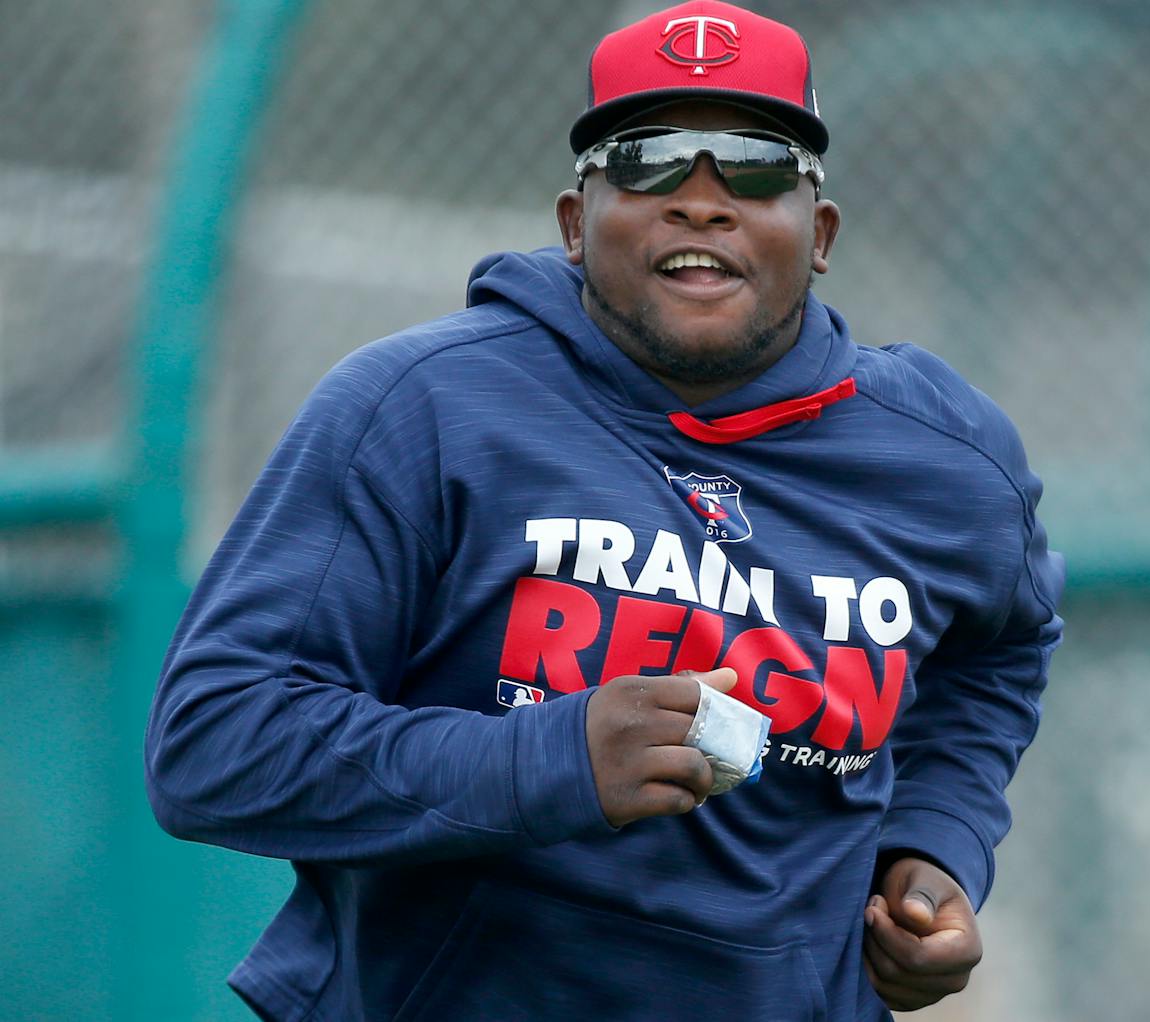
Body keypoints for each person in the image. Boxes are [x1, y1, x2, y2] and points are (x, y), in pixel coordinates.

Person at [145, 2, 1064, 1019]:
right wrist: (550, 759)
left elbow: (1000, 650)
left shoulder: (945, 461)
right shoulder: (421, 409)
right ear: (577, 226)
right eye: (649, 161)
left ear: (820, 234)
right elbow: (212, 742)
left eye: (756, 167)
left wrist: (931, 842)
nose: (701, 203)